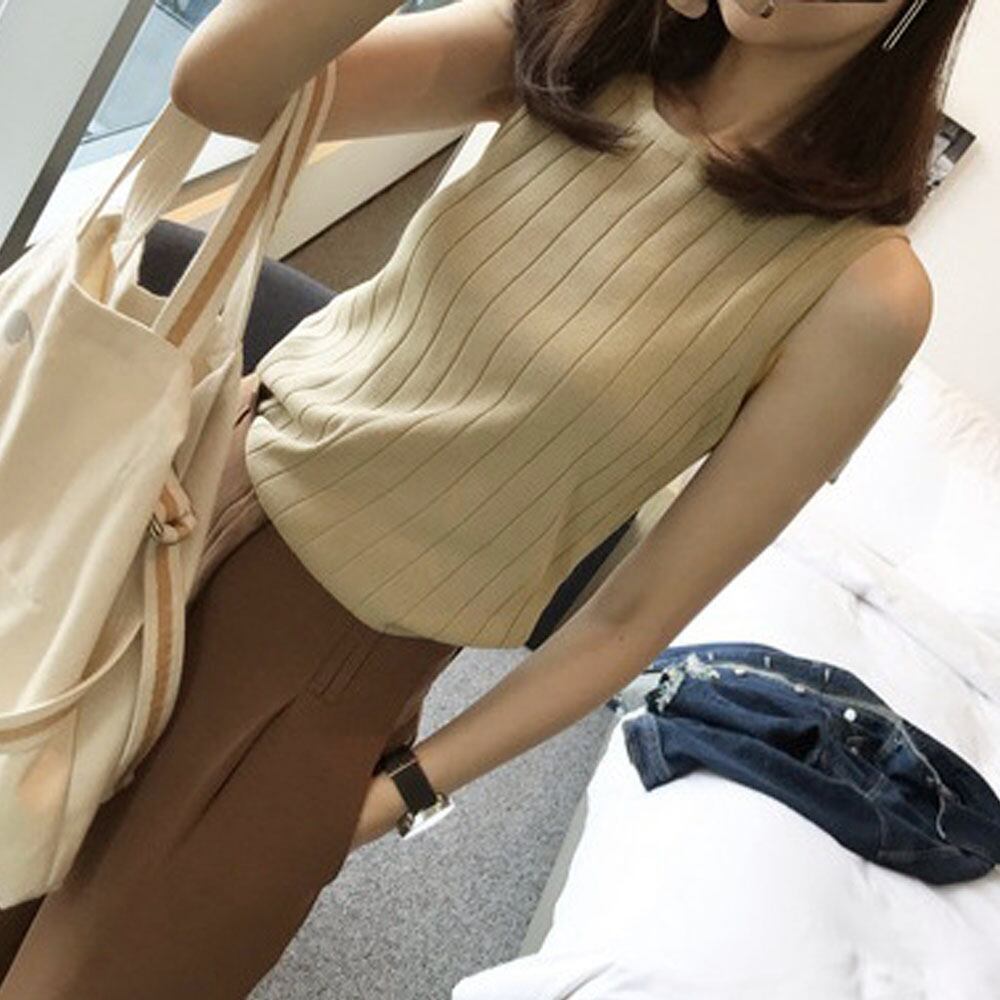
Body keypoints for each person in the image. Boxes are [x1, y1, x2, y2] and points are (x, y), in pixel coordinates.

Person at [0, 0, 971, 996]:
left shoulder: (862, 293)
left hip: (316, 679)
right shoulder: (576, 49)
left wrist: (397, 794)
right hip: (170, 518)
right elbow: (219, 89)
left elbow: (630, 619)